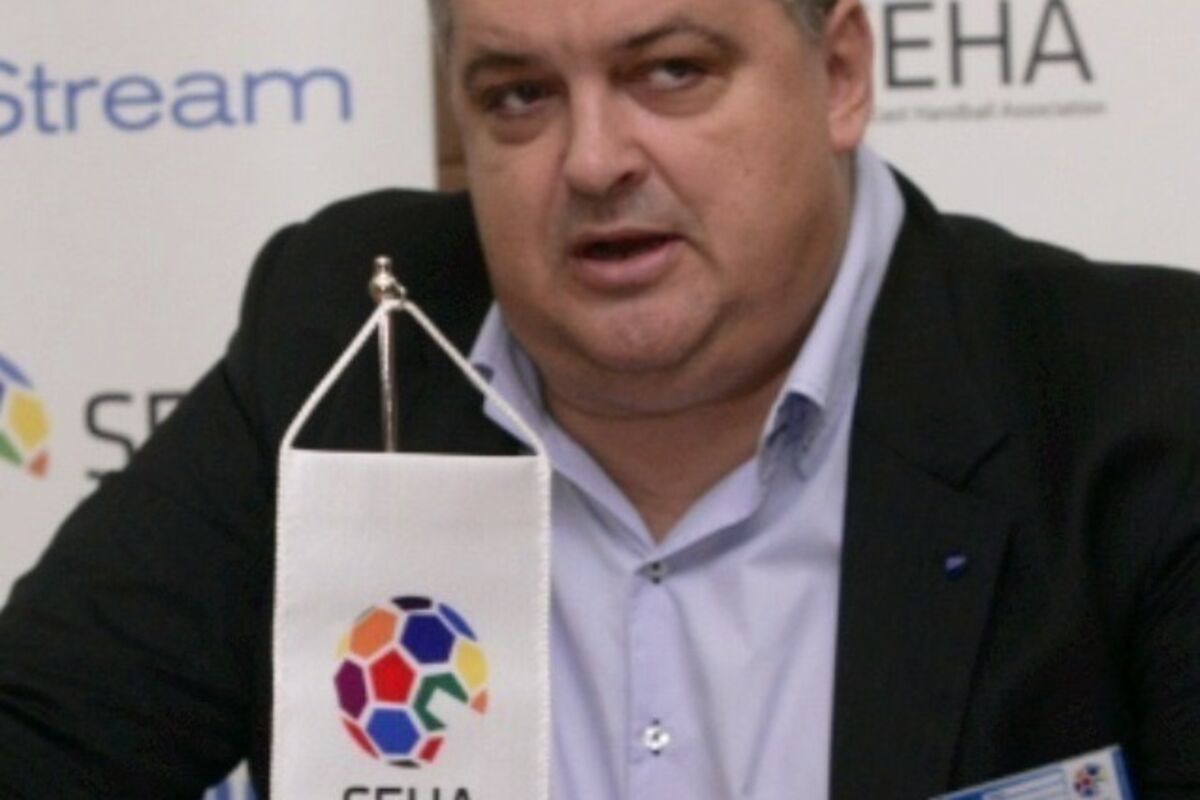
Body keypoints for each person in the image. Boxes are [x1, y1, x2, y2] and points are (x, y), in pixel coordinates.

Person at [1, 0, 1197, 796]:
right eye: (519, 95)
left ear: (839, 73)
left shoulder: (1141, 394)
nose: (592, 160)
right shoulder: (353, 340)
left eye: (670, 72)